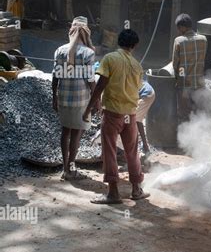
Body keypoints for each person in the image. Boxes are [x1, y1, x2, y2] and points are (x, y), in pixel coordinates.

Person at [82, 29, 149, 204]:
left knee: (110, 151)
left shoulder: (110, 59)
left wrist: (89, 108)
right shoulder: (137, 65)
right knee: (132, 152)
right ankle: (136, 190)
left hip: (113, 113)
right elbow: (138, 89)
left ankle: (113, 193)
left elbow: (100, 85)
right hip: (130, 115)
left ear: (118, 42)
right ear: (134, 46)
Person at [52, 16, 96, 180]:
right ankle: (71, 168)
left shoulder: (59, 50)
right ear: (86, 33)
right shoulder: (88, 53)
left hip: (63, 96)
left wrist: (54, 96)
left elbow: (55, 76)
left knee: (65, 132)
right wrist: (96, 100)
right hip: (81, 99)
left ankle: (65, 169)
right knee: (77, 133)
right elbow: (90, 79)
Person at [172, 13, 207, 123]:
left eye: (178, 28)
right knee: (197, 112)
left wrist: (177, 80)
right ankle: (199, 134)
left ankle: (184, 136)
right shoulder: (203, 39)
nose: (178, 30)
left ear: (182, 27)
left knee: (184, 113)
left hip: (185, 85)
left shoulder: (179, 41)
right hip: (200, 84)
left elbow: (175, 64)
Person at [136, 77, 156, 155]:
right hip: (149, 93)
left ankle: (136, 148)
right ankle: (145, 146)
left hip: (146, 94)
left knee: (130, 119)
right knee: (137, 120)